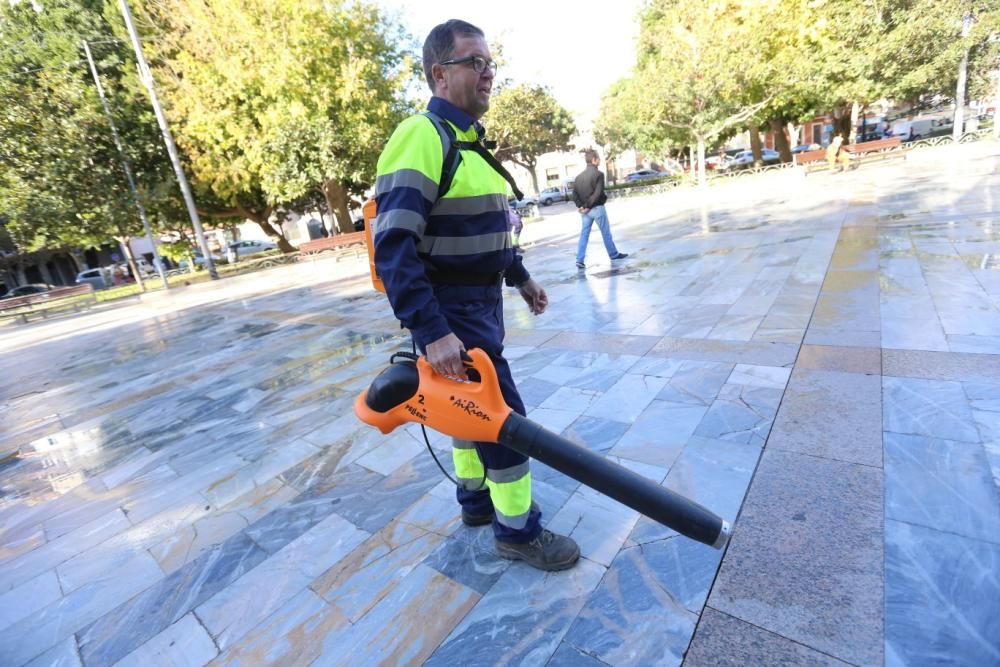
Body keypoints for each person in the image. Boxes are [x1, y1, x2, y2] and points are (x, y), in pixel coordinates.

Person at [372, 19, 579, 571]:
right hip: (452, 314)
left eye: (491, 63)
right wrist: (432, 329)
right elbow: (392, 245)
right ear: (440, 73)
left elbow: (485, 227)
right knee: (506, 423)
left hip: (477, 306)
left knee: (463, 412)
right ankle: (518, 532)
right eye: (475, 62)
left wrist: (520, 276)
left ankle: (474, 501)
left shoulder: (468, 143)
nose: (488, 73)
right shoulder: (422, 136)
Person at [572, 150, 629, 269]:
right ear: (593, 160)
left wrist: (581, 207)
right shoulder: (599, 174)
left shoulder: (578, 177)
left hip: (585, 212)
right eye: (598, 158)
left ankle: (579, 260)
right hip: (597, 208)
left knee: (584, 235)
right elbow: (597, 194)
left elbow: (574, 195)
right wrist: (587, 206)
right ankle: (613, 255)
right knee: (606, 232)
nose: (600, 160)